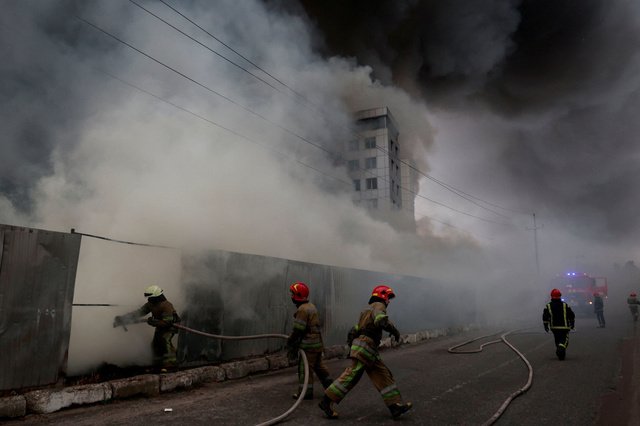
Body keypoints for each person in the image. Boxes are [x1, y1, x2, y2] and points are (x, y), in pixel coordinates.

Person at [319, 285, 412, 419]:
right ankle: (326, 401)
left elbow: (356, 329)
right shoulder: (379, 305)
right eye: (388, 298)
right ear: (383, 296)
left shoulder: (366, 310)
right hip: (365, 347)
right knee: (352, 375)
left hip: (366, 348)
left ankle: (394, 406)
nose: (389, 301)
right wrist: (394, 330)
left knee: (382, 374)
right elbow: (380, 319)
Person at [113, 285, 181, 371]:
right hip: (160, 325)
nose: (149, 299)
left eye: (151, 297)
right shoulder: (151, 304)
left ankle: (171, 364)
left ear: (157, 297)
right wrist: (124, 318)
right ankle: (158, 363)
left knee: (165, 341)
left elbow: (167, 322)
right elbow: (139, 313)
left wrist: (153, 322)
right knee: (156, 344)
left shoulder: (166, 306)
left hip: (170, 327)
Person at [286, 281, 334, 400]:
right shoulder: (311, 306)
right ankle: (332, 388)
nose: (291, 297)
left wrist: (291, 341)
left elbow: (298, 329)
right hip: (317, 344)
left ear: (298, 295)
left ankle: (305, 392)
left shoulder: (302, 310)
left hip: (308, 346)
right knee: (319, 367)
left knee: (305, 369)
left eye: (293, 294)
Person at [543, 288, 575, 361]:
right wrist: (572, 323)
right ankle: (560, 349)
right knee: (564, 340)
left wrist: (545, 326)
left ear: (551, 296)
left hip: (554, 327)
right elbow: (571, 314)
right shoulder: (565, 305)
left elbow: (545, 316)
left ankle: (560, 351)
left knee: (557, 339)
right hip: (564, 327)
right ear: (560, 296)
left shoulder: (548, 306)